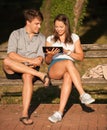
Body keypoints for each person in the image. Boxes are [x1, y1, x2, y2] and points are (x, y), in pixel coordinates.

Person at [45, 14, 95, 123]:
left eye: (61, 27)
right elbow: (47, 61)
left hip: (69, 68)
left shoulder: (74, 37)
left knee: (68, 75)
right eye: (56, 26)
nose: (58, 29)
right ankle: (82, 94)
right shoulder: (50, 39)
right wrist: (50, 55)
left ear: (66, 26)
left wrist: (68, 52)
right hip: (55, 67)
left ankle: (59, 113)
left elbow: (81, 57)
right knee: (68, 62)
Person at [3, 8, 50, 125]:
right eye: (36, 23)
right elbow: (11, 54)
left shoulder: (41, 38)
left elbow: (39, 59)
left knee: (28, 76)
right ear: (28, 22)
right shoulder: (16, 34)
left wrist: (36, 60)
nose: (39, 26)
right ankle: (41, 75)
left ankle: (24, 114)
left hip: (31, 70)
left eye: (40, 24)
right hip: (14, 68)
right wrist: (28, 60)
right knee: (6, 61)